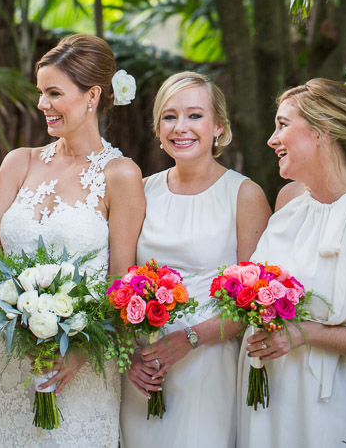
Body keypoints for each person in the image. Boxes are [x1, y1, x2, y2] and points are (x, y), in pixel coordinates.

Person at [0, 33, 146, 447]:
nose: (42, 104)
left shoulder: (121, 175)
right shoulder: (19, 162)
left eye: (54, 93)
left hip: (80, 364)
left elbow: (120, 283)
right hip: (6, 360)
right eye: (40, 92)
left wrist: (80, 353)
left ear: (92, 96)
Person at [237, 78, 346, 448]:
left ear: (322, 132)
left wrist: (304, 334)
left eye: (283, 125)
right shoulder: (288, 200)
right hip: (269, 392)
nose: (272, 139)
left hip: (332, 406)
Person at [120, 71, 271, 447]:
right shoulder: (141, 191)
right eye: (169, 116)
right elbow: (119, 280)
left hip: (209, 366)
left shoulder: (245, 195)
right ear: (158, 127)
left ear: (219, 126)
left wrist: (188, 339)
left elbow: (254, 303)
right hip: (145, 368)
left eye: (194, 116)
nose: (180, 127)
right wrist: (130, 357)